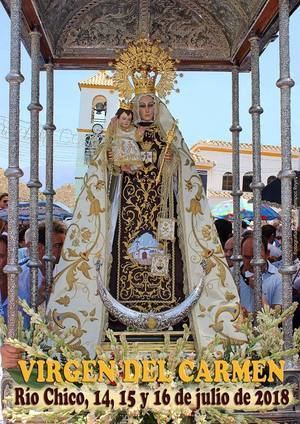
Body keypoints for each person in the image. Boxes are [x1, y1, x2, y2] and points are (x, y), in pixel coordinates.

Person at [47, 38, 245, 356]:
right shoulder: (119, 132)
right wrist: (116, 163)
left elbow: (188, 175)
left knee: (165, 264)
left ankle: (171, 323)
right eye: (141, 105)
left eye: (151, 104)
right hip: (126, 213)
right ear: (133, 106)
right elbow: (102, 169)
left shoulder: (170, 136)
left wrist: (173, 165)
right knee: (124, 258)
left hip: (165, 213)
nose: (147, 110)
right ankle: (118, 323)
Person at [239, 234, 282, 313]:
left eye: (256, 257)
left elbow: (275, 317)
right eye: (247, 257)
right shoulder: (232, 274)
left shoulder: (278, 278)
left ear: (267, 254)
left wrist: (258, 291)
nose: (252, 262)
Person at [107, 103, 143, 173]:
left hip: (131, 148)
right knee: (120, 145)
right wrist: (112, 124)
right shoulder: (116, 128)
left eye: (129, 119)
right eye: (123, 119)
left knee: (131, 147)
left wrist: (140, 133)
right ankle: (123, 166)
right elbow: (110, 134)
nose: (126, 121)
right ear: (118, 118)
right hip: (119, 146)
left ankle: (129, 166)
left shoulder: (133, 129)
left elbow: (137, 139)